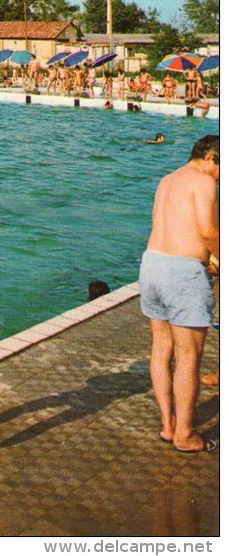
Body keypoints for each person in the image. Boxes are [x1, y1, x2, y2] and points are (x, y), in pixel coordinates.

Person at [140, 135, 219, 453]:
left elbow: (174, 226)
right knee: (188, 356)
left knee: (161, 349)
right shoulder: (204, 183)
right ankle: (186, 434)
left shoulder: (167, 179)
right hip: (182, 274)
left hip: (151, 265)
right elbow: (208, 230)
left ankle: (168, 425)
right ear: (211, 158)